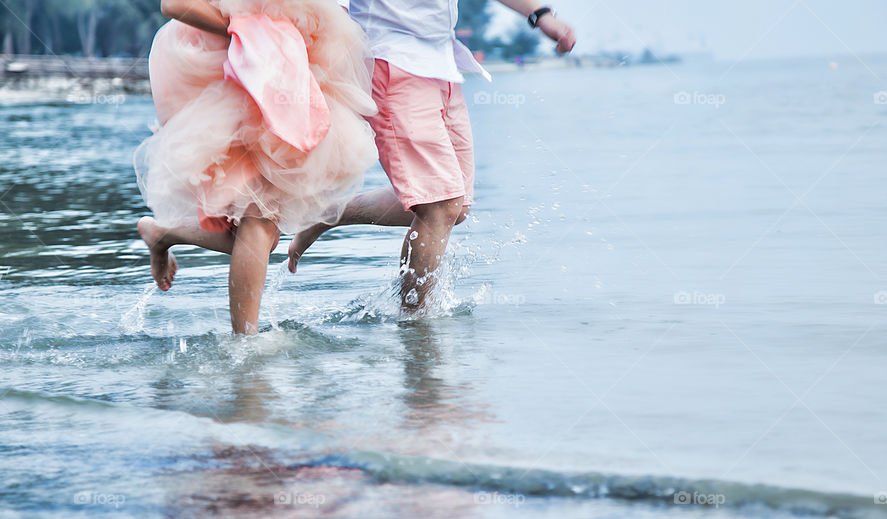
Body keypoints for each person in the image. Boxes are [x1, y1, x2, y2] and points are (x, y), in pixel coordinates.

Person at [287, 1, 577, 312]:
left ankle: (330, 213)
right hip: (391, 61)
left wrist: (539, 14)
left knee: (457, 205)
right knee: (440, 204)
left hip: (442, 64)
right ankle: (416, 329)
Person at [135, 0, 378, 333]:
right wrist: (250, 32)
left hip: (283, 69)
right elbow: (174, 4)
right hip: (230, 75)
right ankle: (245, 346)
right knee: (260, 224)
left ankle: (164, 235)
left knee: (264, 232)